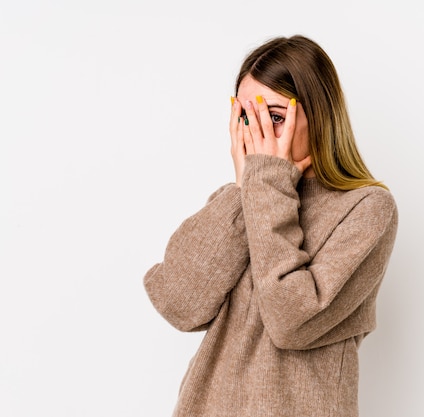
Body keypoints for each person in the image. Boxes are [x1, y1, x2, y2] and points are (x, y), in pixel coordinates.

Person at [143, 34, 398, 417]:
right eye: (246, 117)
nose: (255, 134)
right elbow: (177, 303)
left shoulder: (367, 209)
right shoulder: (241, 199)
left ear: (319, 116)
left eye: (274, 117)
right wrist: (248, 189)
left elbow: (291, 322)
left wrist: (266, 187)